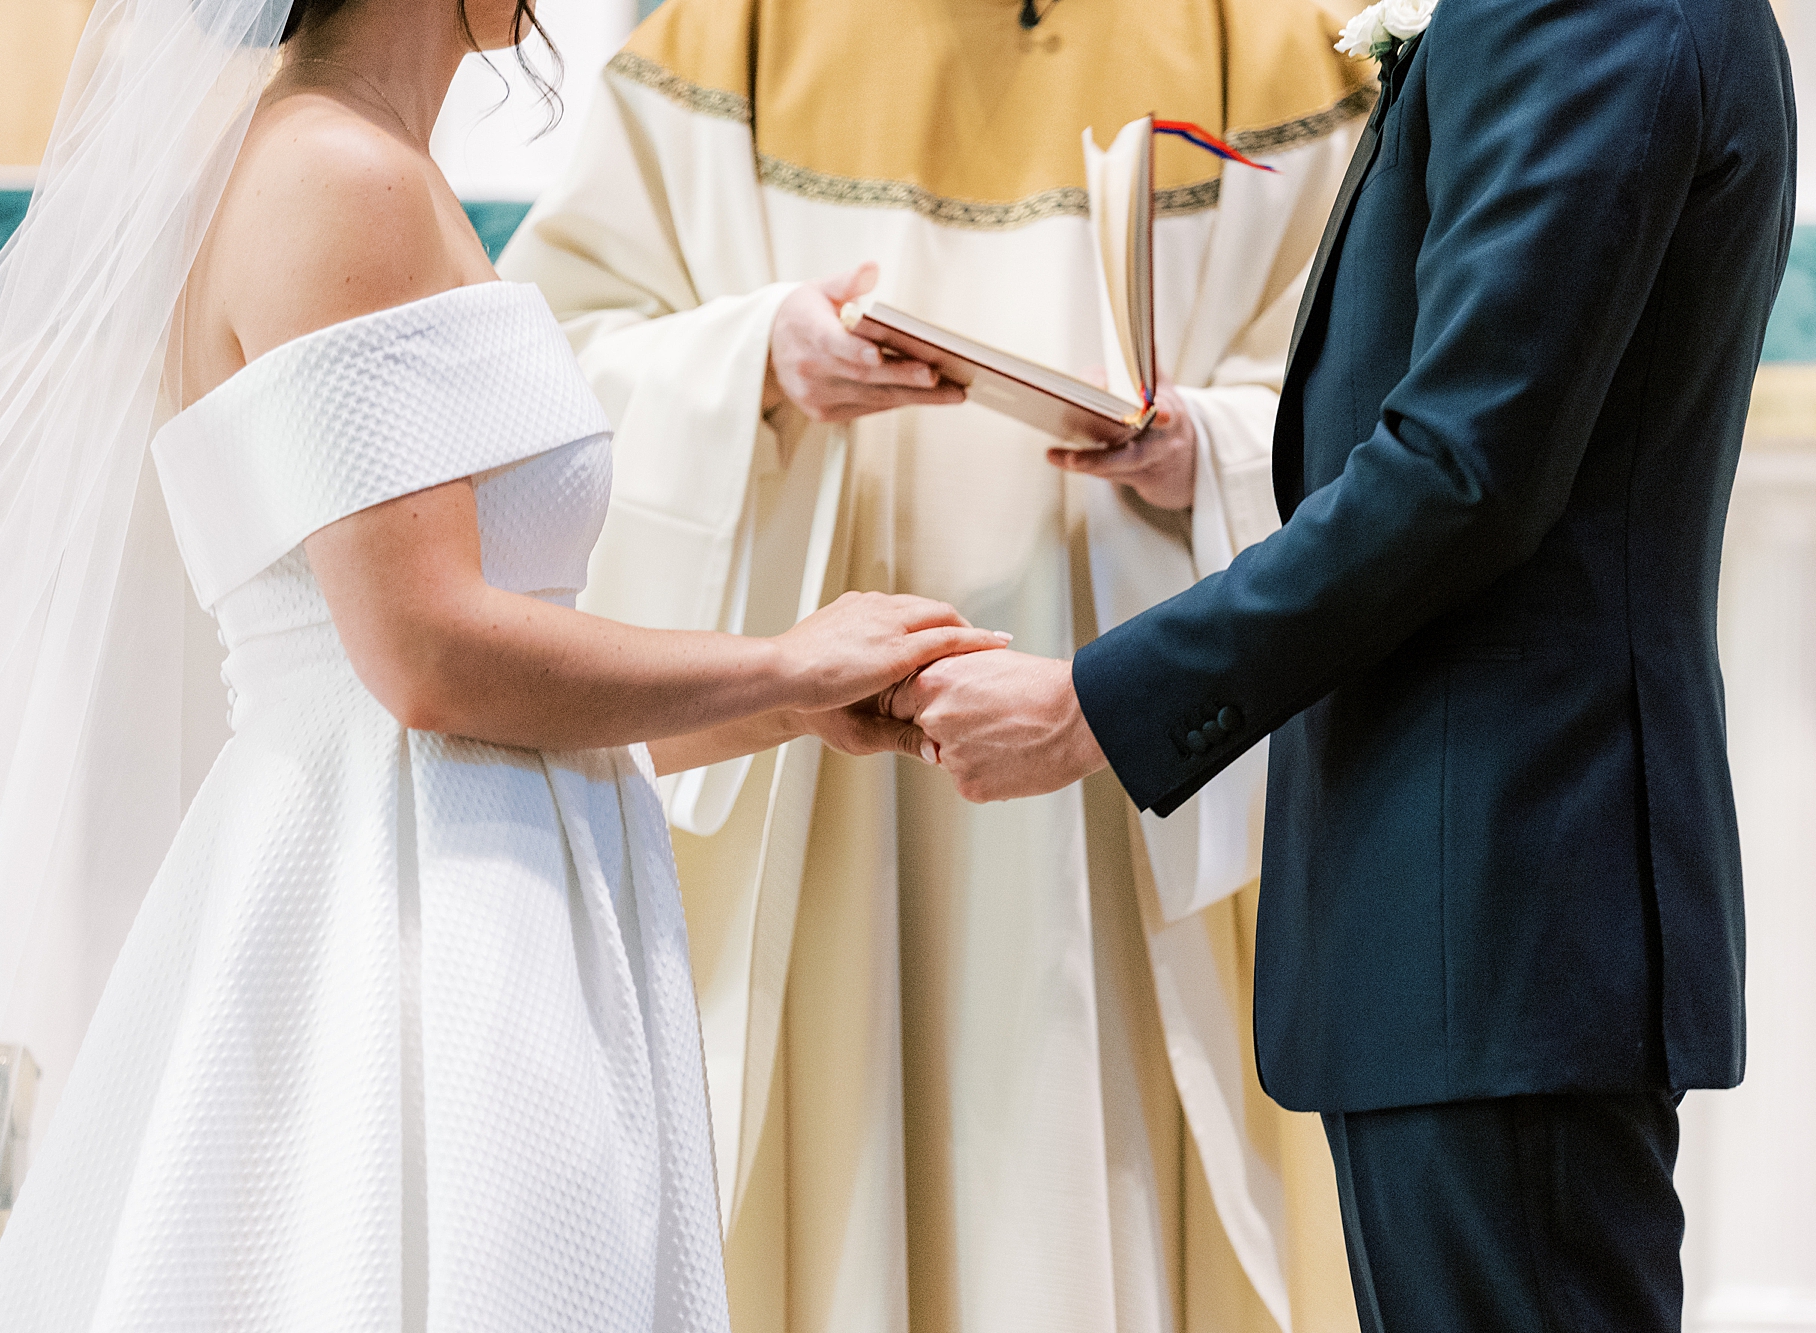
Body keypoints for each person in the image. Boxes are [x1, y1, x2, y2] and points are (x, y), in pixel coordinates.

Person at [0, 0, 1007, 1325]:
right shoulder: (333, 175)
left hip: (477, 851)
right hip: (418, 915)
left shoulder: (380, 167)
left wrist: (796, 705)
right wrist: (780, 661)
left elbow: (483, 678)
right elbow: (424, 658)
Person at [894, 0, 1798, 1327]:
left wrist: (1095, 701)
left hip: (1502, 889)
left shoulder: (1588, 12)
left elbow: (1465, 472)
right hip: (1468, 909)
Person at [497, 3, 1374, 1329]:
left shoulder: (1262, 41)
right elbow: (550, 361)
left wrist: (1214, 446)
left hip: (1123, 758)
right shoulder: (735, 28)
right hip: (828, 760)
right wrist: (761, 359)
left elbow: (1391, 400)